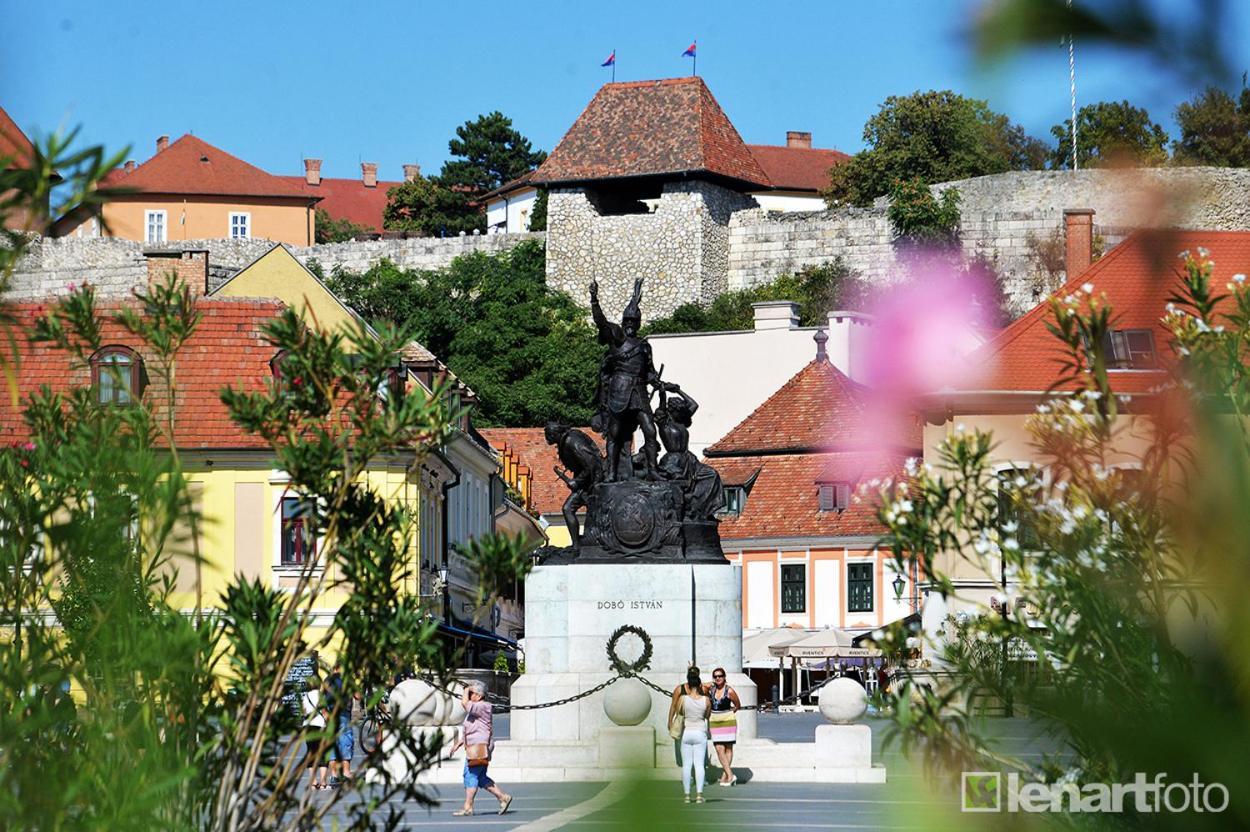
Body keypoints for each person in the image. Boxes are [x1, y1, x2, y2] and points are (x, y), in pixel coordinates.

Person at [448, 681, 512, 817]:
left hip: (478, 748)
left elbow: (464, 704)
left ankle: (468, 807)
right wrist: (459, 743)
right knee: (480, 777)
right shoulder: (477, 708)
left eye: (471, 694)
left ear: (478, 695)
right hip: (476, 747)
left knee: (470, 775)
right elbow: (474, 729)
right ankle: (503, 797)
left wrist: (466, 689)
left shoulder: (482, 706)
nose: (469, 696)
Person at [669, 666, 711, 804]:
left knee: (686, 765)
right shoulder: (706, 700)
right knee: (699, 765)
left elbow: (679, 712)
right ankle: (699, 795)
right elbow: (707, 715)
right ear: (699, 684)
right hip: (700, 732)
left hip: (687, 732)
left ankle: (687, 796)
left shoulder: (683, 699)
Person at [706, 667, 741, 786]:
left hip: (728, 721)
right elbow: (698, 685)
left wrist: (728, 714)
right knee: (719, 748)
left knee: (728, 748)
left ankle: (725, 775)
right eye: (715, 676)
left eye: (720, 676)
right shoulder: (711, 690)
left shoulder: (729, 690)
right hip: (714, 721)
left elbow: (737, 705)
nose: (717, 678)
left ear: (724, 677)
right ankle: (730, 774)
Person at [301, 674, 330, 792]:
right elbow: (324, 711)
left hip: (308, 727)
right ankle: (323, 783)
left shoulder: (305, 696)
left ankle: (313, 782)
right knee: (323, 753)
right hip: (320, 726)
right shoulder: (320, 695)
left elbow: (303, 712)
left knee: (311, 753)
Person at [326, 663, 354, 785]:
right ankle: (346, 772)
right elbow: (357, 696)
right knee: (346, 742)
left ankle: (333, 775)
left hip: (331, 715)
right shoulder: (347, 679)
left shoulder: (327, 680)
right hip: (343, 714)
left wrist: (325, 713)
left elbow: (321, 696)